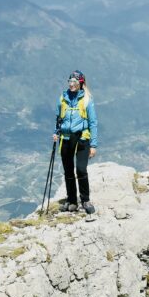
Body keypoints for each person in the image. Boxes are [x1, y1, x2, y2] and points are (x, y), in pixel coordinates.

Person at [53, 70, 98, 214]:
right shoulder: (63, 98)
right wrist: (56, 133)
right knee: (68, 171)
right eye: (70, 81)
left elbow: (93, 122)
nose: (71, 84)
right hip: (65, 138)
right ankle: (72, 201)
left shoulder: (86, 100)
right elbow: (59, 119)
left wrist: (93, 145)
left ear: (81, 83)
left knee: (80, 169)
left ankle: (85, 200)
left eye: (74, 82)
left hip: (82, 138)